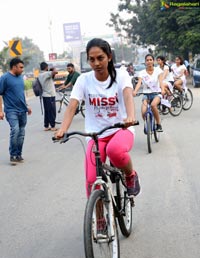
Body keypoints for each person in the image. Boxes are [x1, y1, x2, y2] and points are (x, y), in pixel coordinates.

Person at [55, 38, 141, 199]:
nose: (96, 63)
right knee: (91, 180)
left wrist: (130, 116)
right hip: (95, 135)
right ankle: (99, 219)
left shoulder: (121, 75)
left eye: (100, 58)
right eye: (92, 59)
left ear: (109, 57)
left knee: (114, 150)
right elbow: (72, 105)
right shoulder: (84, 80)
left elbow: (128, 95)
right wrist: (63, 129)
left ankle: (130, 175)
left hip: (121, 129)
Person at [0, 57, 32, 165]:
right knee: (15, 130)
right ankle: (13, 154)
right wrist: (0, 111)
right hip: (11, 110)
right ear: (14, 67)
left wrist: (27, 106)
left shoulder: (20, 78)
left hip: (22, 111)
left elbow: (21, 94)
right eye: (21, 67)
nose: (22, 69)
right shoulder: (4, 78)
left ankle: (18, 154)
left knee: (21, 133)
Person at [133, 54, 165, 132]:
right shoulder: (142, 73)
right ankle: (147, 123)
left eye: (150, 60)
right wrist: (135, 91)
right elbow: (139, 83)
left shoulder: (158, 71)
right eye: (147, 60)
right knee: (143, 111)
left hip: (156, 94)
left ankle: (158, 124)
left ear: (153, 61)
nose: (149, 61)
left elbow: (161, 82)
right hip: (146, 95)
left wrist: (163, 90)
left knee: (153, 105)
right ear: (145, 62)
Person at [38, 62, 58, 131]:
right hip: (50, 95)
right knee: (52, 111)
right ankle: (53, 126)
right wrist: (53, 69)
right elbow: (55, 72)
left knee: (47, 111)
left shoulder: (40, 75)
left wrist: (50, 71)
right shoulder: (46, 73)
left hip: (44, 95)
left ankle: (46, 126)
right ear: (46, 67)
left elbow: (52, 76)